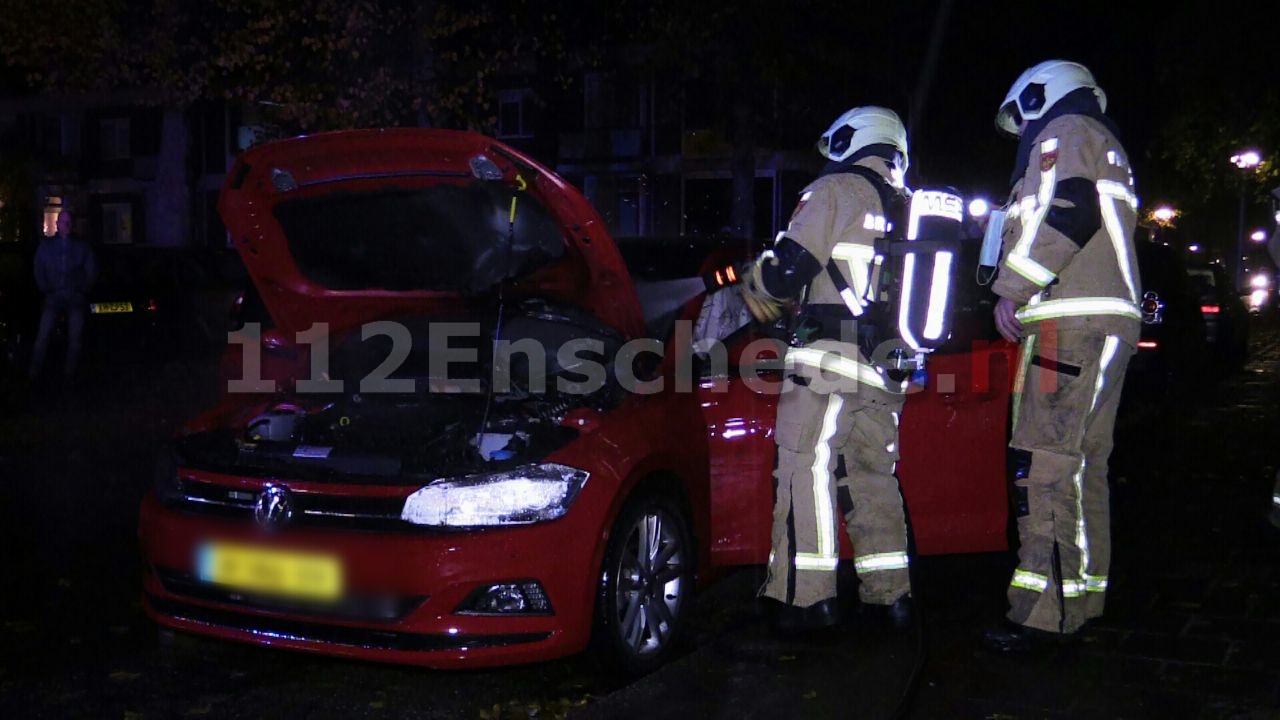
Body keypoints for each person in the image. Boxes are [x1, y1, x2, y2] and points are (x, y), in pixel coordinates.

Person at [982, 60, 1141, 652]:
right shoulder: (1104, 141)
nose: (1021, 127)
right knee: (1082, 469)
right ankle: (1082, 599)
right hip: (1105, 325)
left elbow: (1068, 210)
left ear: (1039, 96)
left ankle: (1043, 614)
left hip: (1067, 325)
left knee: (1045, 468)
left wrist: (1011, 289)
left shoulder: (1065, 131)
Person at [740, 106, 914, 632]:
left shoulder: (836, 188)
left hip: (826, 362)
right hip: (885, 369)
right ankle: (891, 598)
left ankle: (804, 598)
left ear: (852, 139)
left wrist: (758, 279)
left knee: (804, 468)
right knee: (871, 479)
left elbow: (790, 270)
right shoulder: (903, 207)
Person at [29, 207, 96, 383]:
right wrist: (45, 287)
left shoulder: (81, 247)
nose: (65, 225)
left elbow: (91, 270)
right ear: (57, 224)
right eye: (62, 222)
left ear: (71, 225)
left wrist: (82, 288)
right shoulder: (47, 246)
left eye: (68, 222)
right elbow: (38, 268)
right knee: (43, 335)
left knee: (75, 338)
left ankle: (69, 375)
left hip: (75, 296)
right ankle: (34, 373)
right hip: (54, 296)